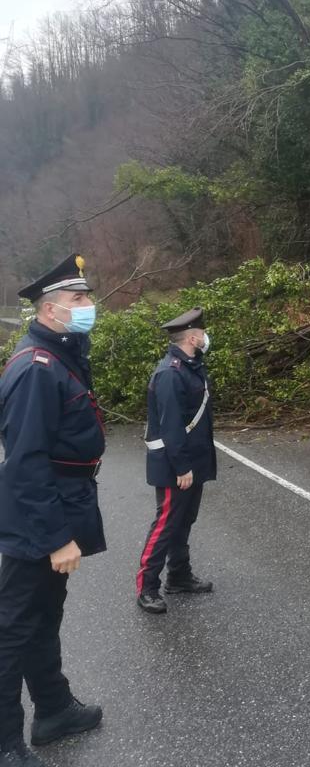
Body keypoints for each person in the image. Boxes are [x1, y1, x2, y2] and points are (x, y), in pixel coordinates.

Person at [0, 255, 105, 767]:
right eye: (78, 300)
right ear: (49, 310)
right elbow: (24, 463)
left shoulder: (62, 351)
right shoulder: (35, 368)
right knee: (13, 625)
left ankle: (54, 709)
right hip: (40, 512)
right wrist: (56, 537)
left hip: (61, 502)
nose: (89, 306)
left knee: (44, 615)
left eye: (87, 296)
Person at [136, 307, 216, 614]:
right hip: (175, 466)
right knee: (166, 524)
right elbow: (170, 426)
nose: (206, 338)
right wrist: (182, 467)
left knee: (184, 520)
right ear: (194, 337)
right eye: (203, 333)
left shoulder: (192, 366)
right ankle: (147, 587)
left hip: (192, 461)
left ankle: (179, 576)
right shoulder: (170, 373)